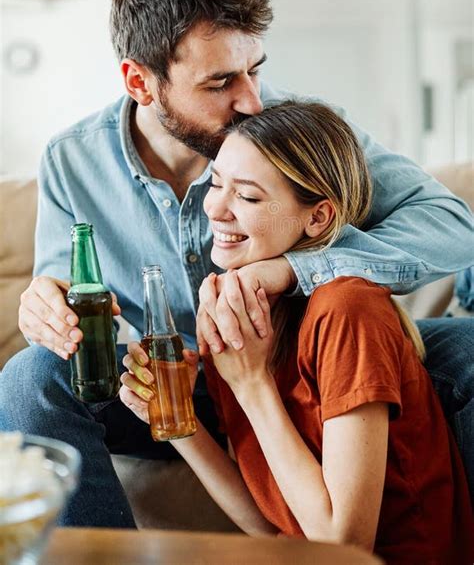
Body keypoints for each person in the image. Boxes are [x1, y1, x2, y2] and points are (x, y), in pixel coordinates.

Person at [0, 0, 472, 528]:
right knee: (30, 378)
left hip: (302, 371)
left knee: (468, 350)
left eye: (255, 69)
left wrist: (294, 271)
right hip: (176, 384)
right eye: (221, 81)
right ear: (140, 82)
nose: (250, 100)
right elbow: (66, 293)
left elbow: (452, 225)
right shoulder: (71, 160)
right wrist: (46, 309)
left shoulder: (292, 130)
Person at [120, 101, 473, 564]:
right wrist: (179, 420)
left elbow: (343, 546)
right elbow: (269, 526)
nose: (216, 209)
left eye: (247, 197)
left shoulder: (348, 310)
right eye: (216, 182)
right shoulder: (232, 308)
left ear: (318, 217)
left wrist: (251, 385)